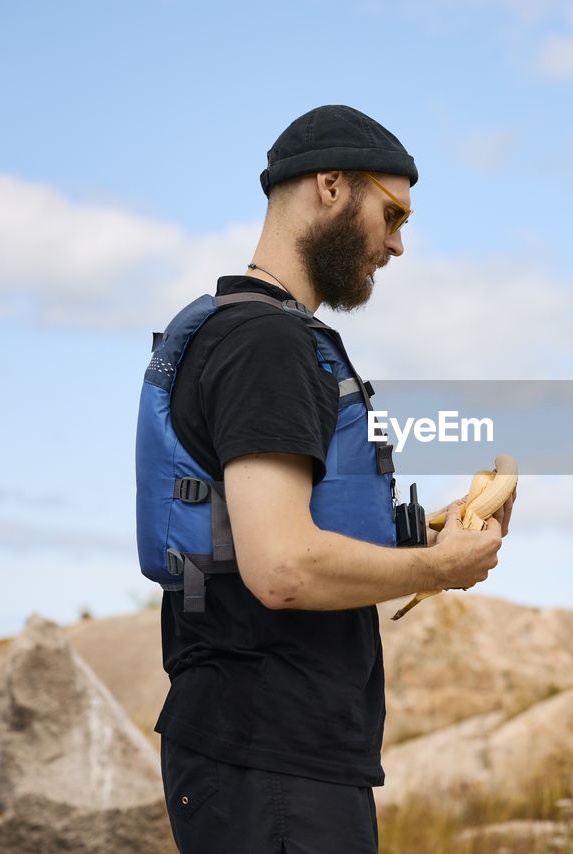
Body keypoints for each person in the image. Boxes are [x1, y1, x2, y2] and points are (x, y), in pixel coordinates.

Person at [138, 105, 514, 853]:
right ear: (332, 186)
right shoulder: (269, 345)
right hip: (271, 758)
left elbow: (295, 529)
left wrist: (422, 534)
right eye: (394, 211)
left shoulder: (242, 329)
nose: (398, 243)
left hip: (266, 756)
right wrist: (437, 570)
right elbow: (279, 567)